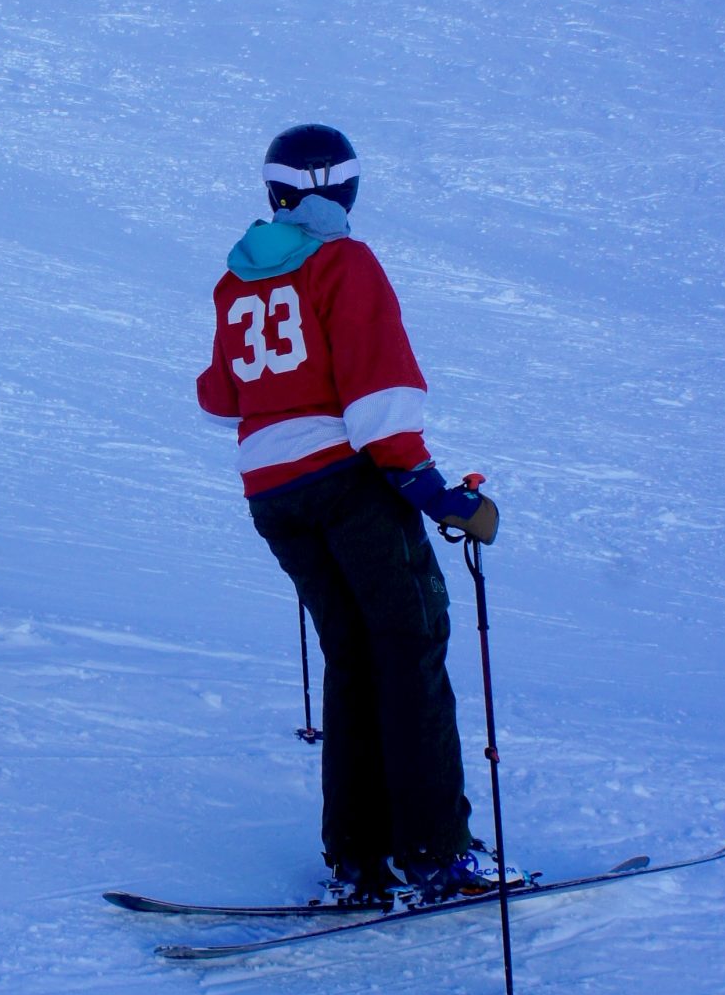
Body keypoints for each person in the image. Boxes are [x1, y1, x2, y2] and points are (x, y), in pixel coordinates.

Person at [196, 123, 500, 903]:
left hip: (272, 494)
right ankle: (435, 853)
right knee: (410, 646)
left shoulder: (238, 281)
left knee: (355, 658)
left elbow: (220, 394)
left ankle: (357, 858)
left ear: (275, 192)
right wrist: (438, 495)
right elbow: (378, 403)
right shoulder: (345, 261)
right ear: (349, 191)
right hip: (347, 479)